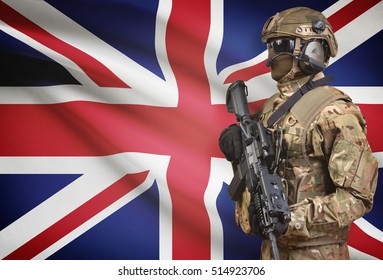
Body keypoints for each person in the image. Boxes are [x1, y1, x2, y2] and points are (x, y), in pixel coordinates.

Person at [219, 7, 378, 260]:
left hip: (319, 258)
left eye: (280, 44)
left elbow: (358, 197)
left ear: (312, 49)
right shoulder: (272, 106)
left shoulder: (335, 111)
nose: (271, 54)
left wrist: (292, 219)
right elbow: (266, 173)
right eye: (270, 45)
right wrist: (238, 152)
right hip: (271, 252)